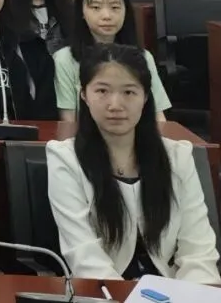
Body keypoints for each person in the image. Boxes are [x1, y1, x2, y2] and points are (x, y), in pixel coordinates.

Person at [47, 44, 220, 282]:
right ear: (84, 95)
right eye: (102, 91)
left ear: (146, 96)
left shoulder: (178, 156)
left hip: (172, 289)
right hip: (104, 291)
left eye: (129, 92)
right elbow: (85, 258)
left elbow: (198, 251)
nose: (115, 105)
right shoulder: (65, 158)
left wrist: (190, 294)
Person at [54, 0, 172, 122]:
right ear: (82, 12)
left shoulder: (143, 57)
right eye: (96, 8)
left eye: (115, 8)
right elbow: (68, 120)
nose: (107, 16)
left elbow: (158, 116)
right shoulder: (65, 59)